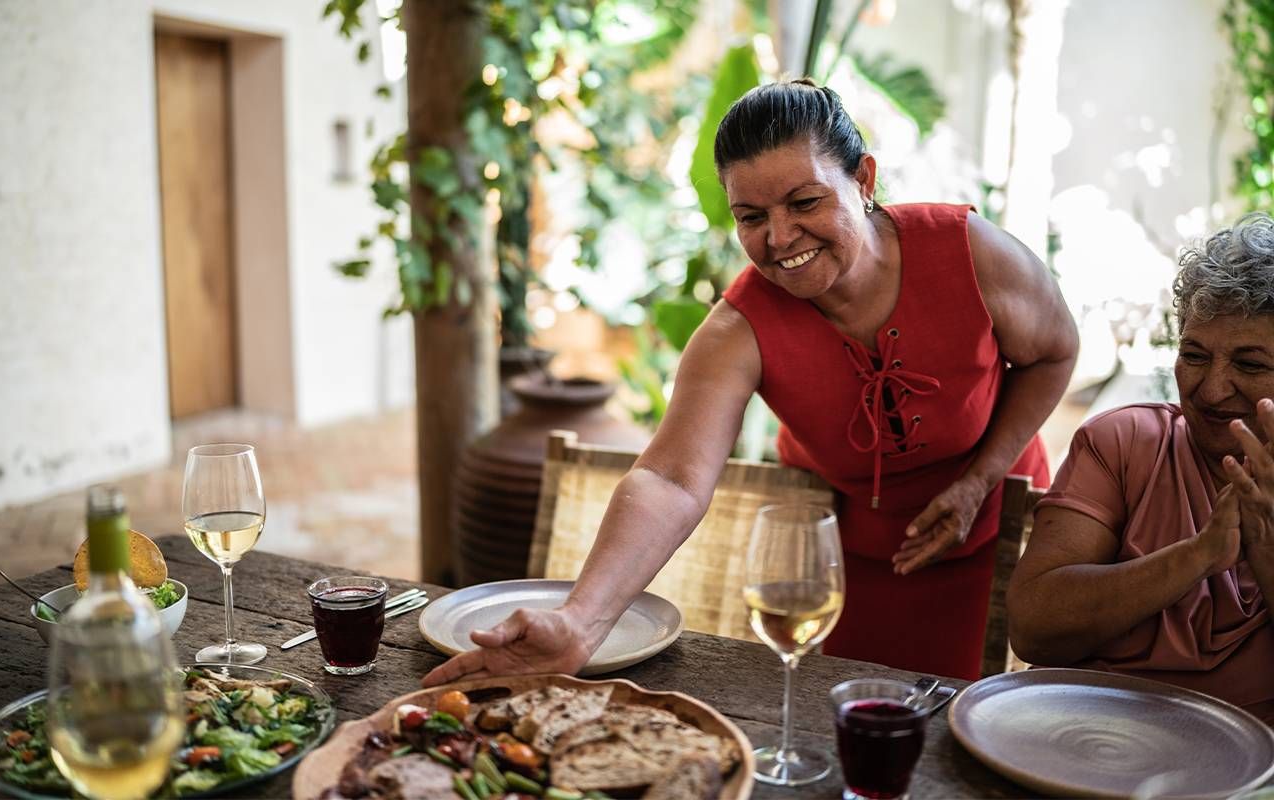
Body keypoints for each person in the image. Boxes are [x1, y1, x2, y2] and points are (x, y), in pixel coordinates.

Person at [424, 79, 1077, 685]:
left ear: (863, 177)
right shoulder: (738, 330)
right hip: (853, 565)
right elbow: (670, 479)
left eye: (805, 202)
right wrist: (579, 624)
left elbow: (1053, 352)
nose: (780, 238)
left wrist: (977, 481)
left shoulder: (971, 251)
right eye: (751, 217)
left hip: (998, 532)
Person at [1008, 212, 1274, 723]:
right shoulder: (1126, 444)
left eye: (1251, 364)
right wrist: (1199, 555)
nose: (1213, 390)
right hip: (1083, 739)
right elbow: (1033, 627)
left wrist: (1263, 541)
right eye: (1195, 355)